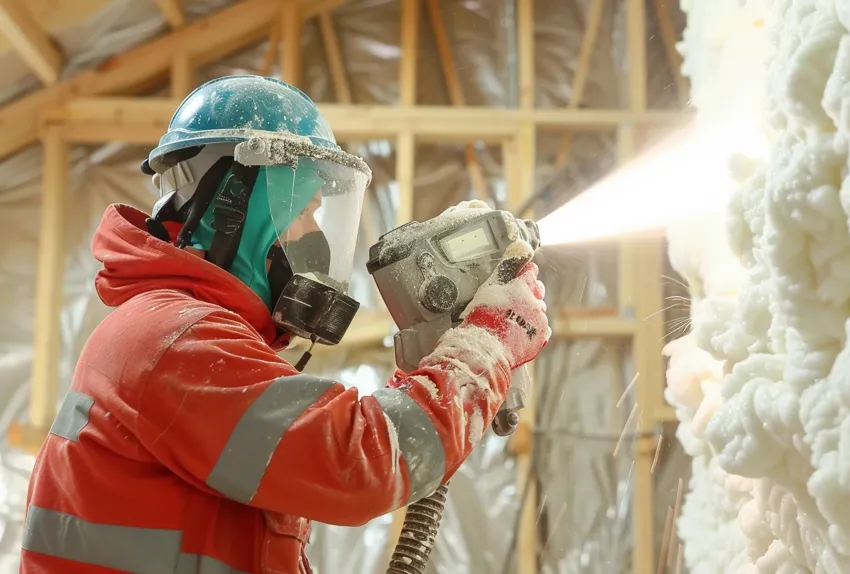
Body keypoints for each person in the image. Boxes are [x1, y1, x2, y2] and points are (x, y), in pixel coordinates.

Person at [20, 75, 550, 574]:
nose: (312, 236)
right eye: (302, 210)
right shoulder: (171, 339)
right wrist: (484, 344)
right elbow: (361, 461)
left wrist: (431, 373)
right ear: (235, 201)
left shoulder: (191, 339)